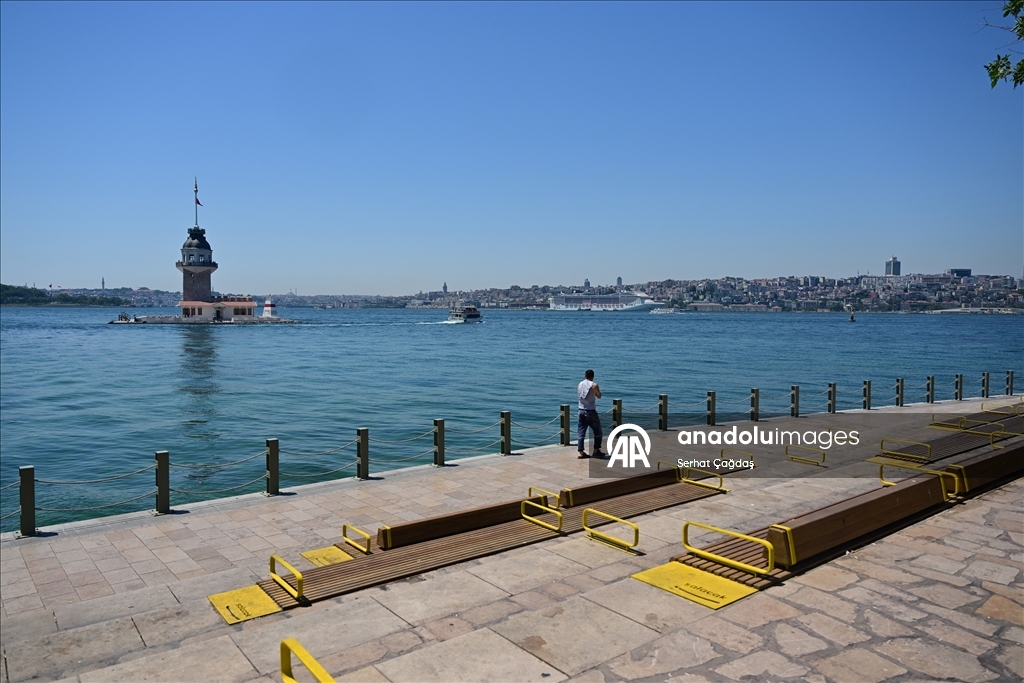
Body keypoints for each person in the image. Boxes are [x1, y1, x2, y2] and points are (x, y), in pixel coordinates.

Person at [577, 369, 606, 458]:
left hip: (581, 410)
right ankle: (596, 450)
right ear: (593, 376)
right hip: (591, 411)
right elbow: (599, 396)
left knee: (581, 432)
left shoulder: (580, 384)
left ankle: (580, 452)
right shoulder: (594, 385)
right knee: (598, 431)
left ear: (585, 376)